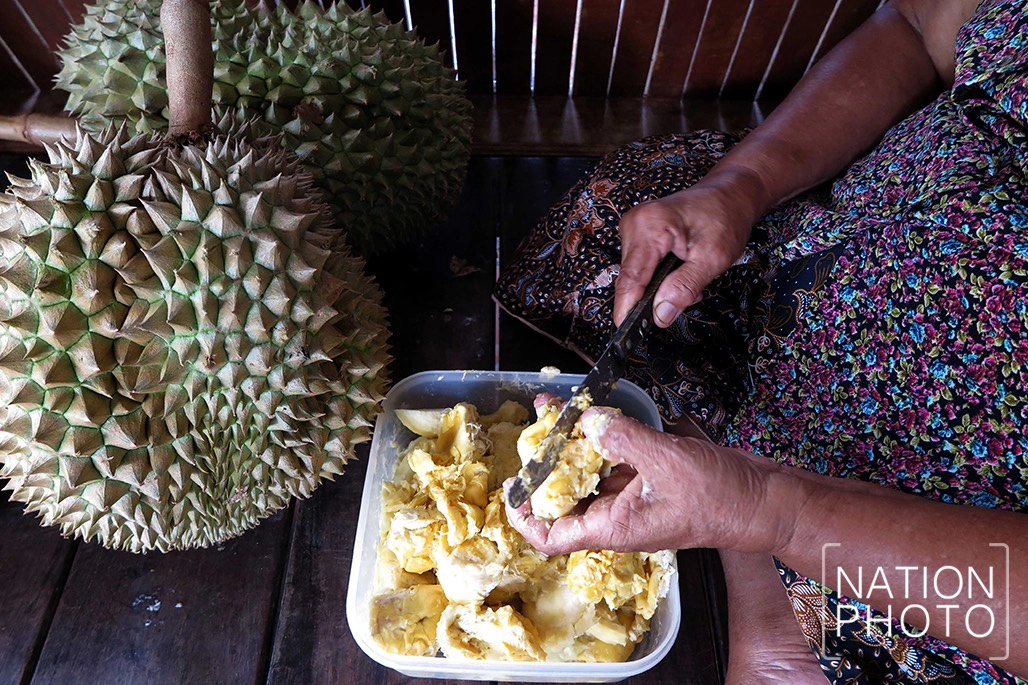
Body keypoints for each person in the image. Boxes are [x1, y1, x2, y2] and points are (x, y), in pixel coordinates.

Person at [495, 0, 1028, 682]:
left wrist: (775, 511)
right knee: (621, 234)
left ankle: (796, 616)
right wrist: (740, 187)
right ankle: (748, 521)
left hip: (941, 558)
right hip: (818, 262)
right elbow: (913, 24)